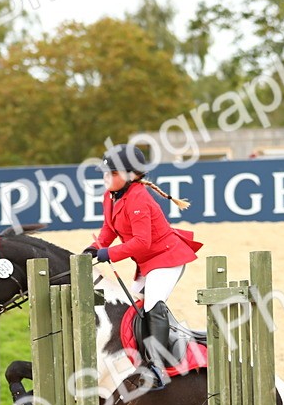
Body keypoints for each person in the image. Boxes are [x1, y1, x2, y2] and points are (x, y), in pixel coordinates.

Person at [84, 143, 201, 390]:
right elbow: (109, 229)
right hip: (147, 262)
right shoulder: (111, 196)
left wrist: (109, 253)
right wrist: (95, 248)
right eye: (106, 172)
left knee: (152, 304)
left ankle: (157, 366)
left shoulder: (138, 197)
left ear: (131, 176)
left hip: (167, 259)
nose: (106, 177)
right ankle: (136, 353)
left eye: (112, 173)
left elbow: (141, 242)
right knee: (131, 306)